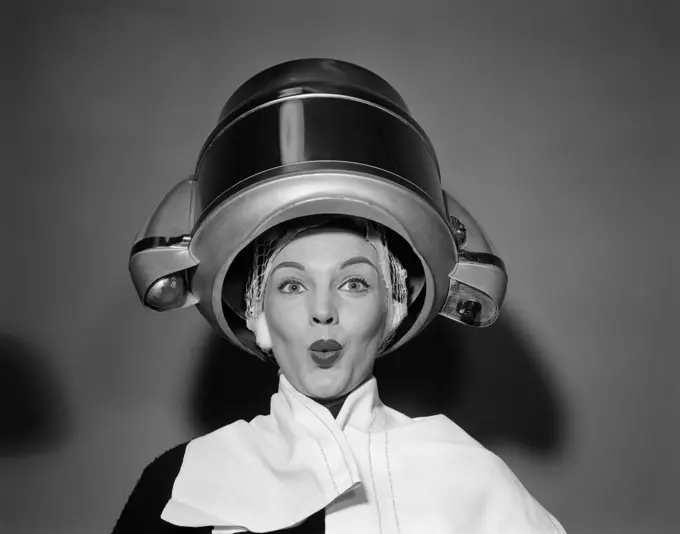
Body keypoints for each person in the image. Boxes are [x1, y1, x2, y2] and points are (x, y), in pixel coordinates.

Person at [117, 59, 566, 533]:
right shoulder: (182, 485)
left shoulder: (474, 483)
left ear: (393, 308)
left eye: (354, 283)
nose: (323, 312)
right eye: (292, 285)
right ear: (258, 317)